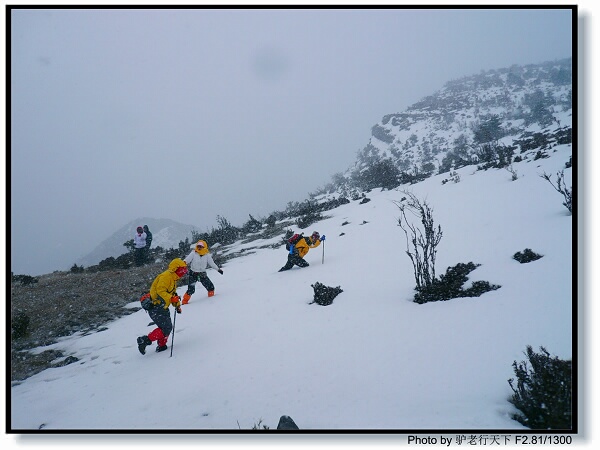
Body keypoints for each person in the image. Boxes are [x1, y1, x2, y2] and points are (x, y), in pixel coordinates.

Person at [137, 258, 188, 355]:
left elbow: (172, 293)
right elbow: (161, 291)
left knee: (166, 327)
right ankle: (145, 340)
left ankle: (161, 345)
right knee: (166, 328)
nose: (183, 273)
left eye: (184, 270)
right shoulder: (166, 276)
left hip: (162, 307)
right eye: (181, 270)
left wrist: (177, 305)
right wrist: (172, 299)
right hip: (156, 307)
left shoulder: (173, 278)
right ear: (175, 269)